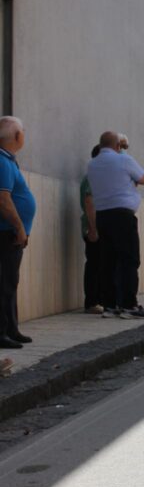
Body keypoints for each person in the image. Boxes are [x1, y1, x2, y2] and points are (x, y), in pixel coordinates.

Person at [87, 131, 144, 318]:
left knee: (108, 261)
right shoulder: (124, 160)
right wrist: (123, 153)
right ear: (118, 146)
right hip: (123, 215)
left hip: (103, 216)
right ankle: (129, 305)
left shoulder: (92, 164)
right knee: (129, 260)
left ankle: (110, 305)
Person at [0, 117, 37, 348]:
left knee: (10, 282)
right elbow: (3, 200)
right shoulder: (2, 161)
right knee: (4, 283)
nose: (24, 135)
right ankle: (2, 332)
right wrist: (19, 227)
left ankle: (12, 329)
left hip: (11, 232)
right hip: (7, 232)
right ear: (17, 137)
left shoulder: (9, 160)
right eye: (23, 131)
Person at [80, 145, 104, 314]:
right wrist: (93, 229)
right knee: (95, 264)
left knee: (100, 264)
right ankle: (92, 302)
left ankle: (100, 299)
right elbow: (89, 202)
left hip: (98, 226)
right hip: (93, 227)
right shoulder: (93, 177)